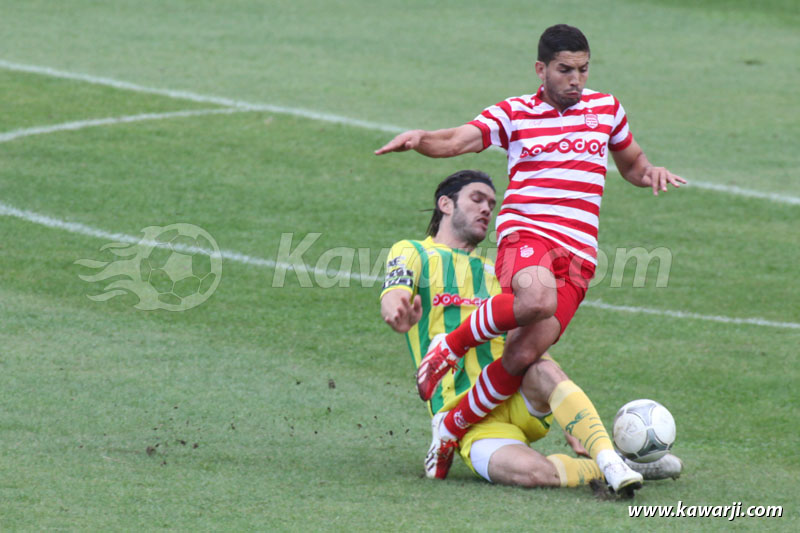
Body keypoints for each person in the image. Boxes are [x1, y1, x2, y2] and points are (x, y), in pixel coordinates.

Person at [376, 24, 686, 495]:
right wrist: (422, 139)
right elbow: (459, 139)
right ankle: (450, 347)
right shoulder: (515, 113)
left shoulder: (607, 110)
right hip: (531, 234)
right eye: (565, 70)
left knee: (525, 353)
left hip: (579, 252)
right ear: (541, 69)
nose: (576, 79)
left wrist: (651, 173)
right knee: (536, 299)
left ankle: (454, 429)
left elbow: (633, 164)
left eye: (583, 70)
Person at [380, 169, 683, 489]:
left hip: (516, 393)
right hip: (469, 419)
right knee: (536, 475)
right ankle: (619, 465)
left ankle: (608, 457)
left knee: (541, 366)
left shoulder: (496, 271)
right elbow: (394, 293)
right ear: (445, 203)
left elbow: (526, 344)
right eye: (477, 199)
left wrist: (571, 416)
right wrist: (396, 313)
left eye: (492, 204)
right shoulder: (414, 252)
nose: (486, 209)